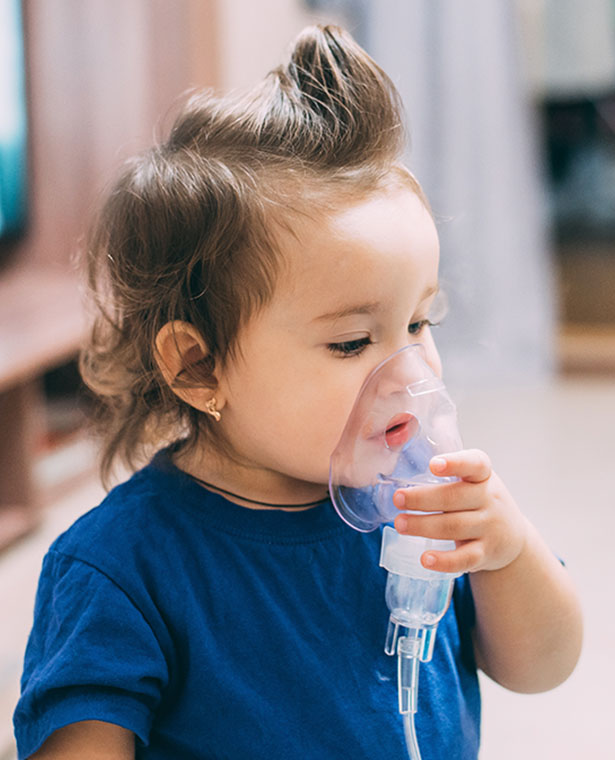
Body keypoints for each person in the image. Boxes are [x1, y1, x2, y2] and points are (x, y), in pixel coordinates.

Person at [14, 25, 582, 760]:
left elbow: (543, 667)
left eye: (419, 321)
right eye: (352, 342)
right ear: (198, 367)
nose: (410, 373)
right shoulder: (124, 569)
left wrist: (505, 552)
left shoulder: (420, 509)